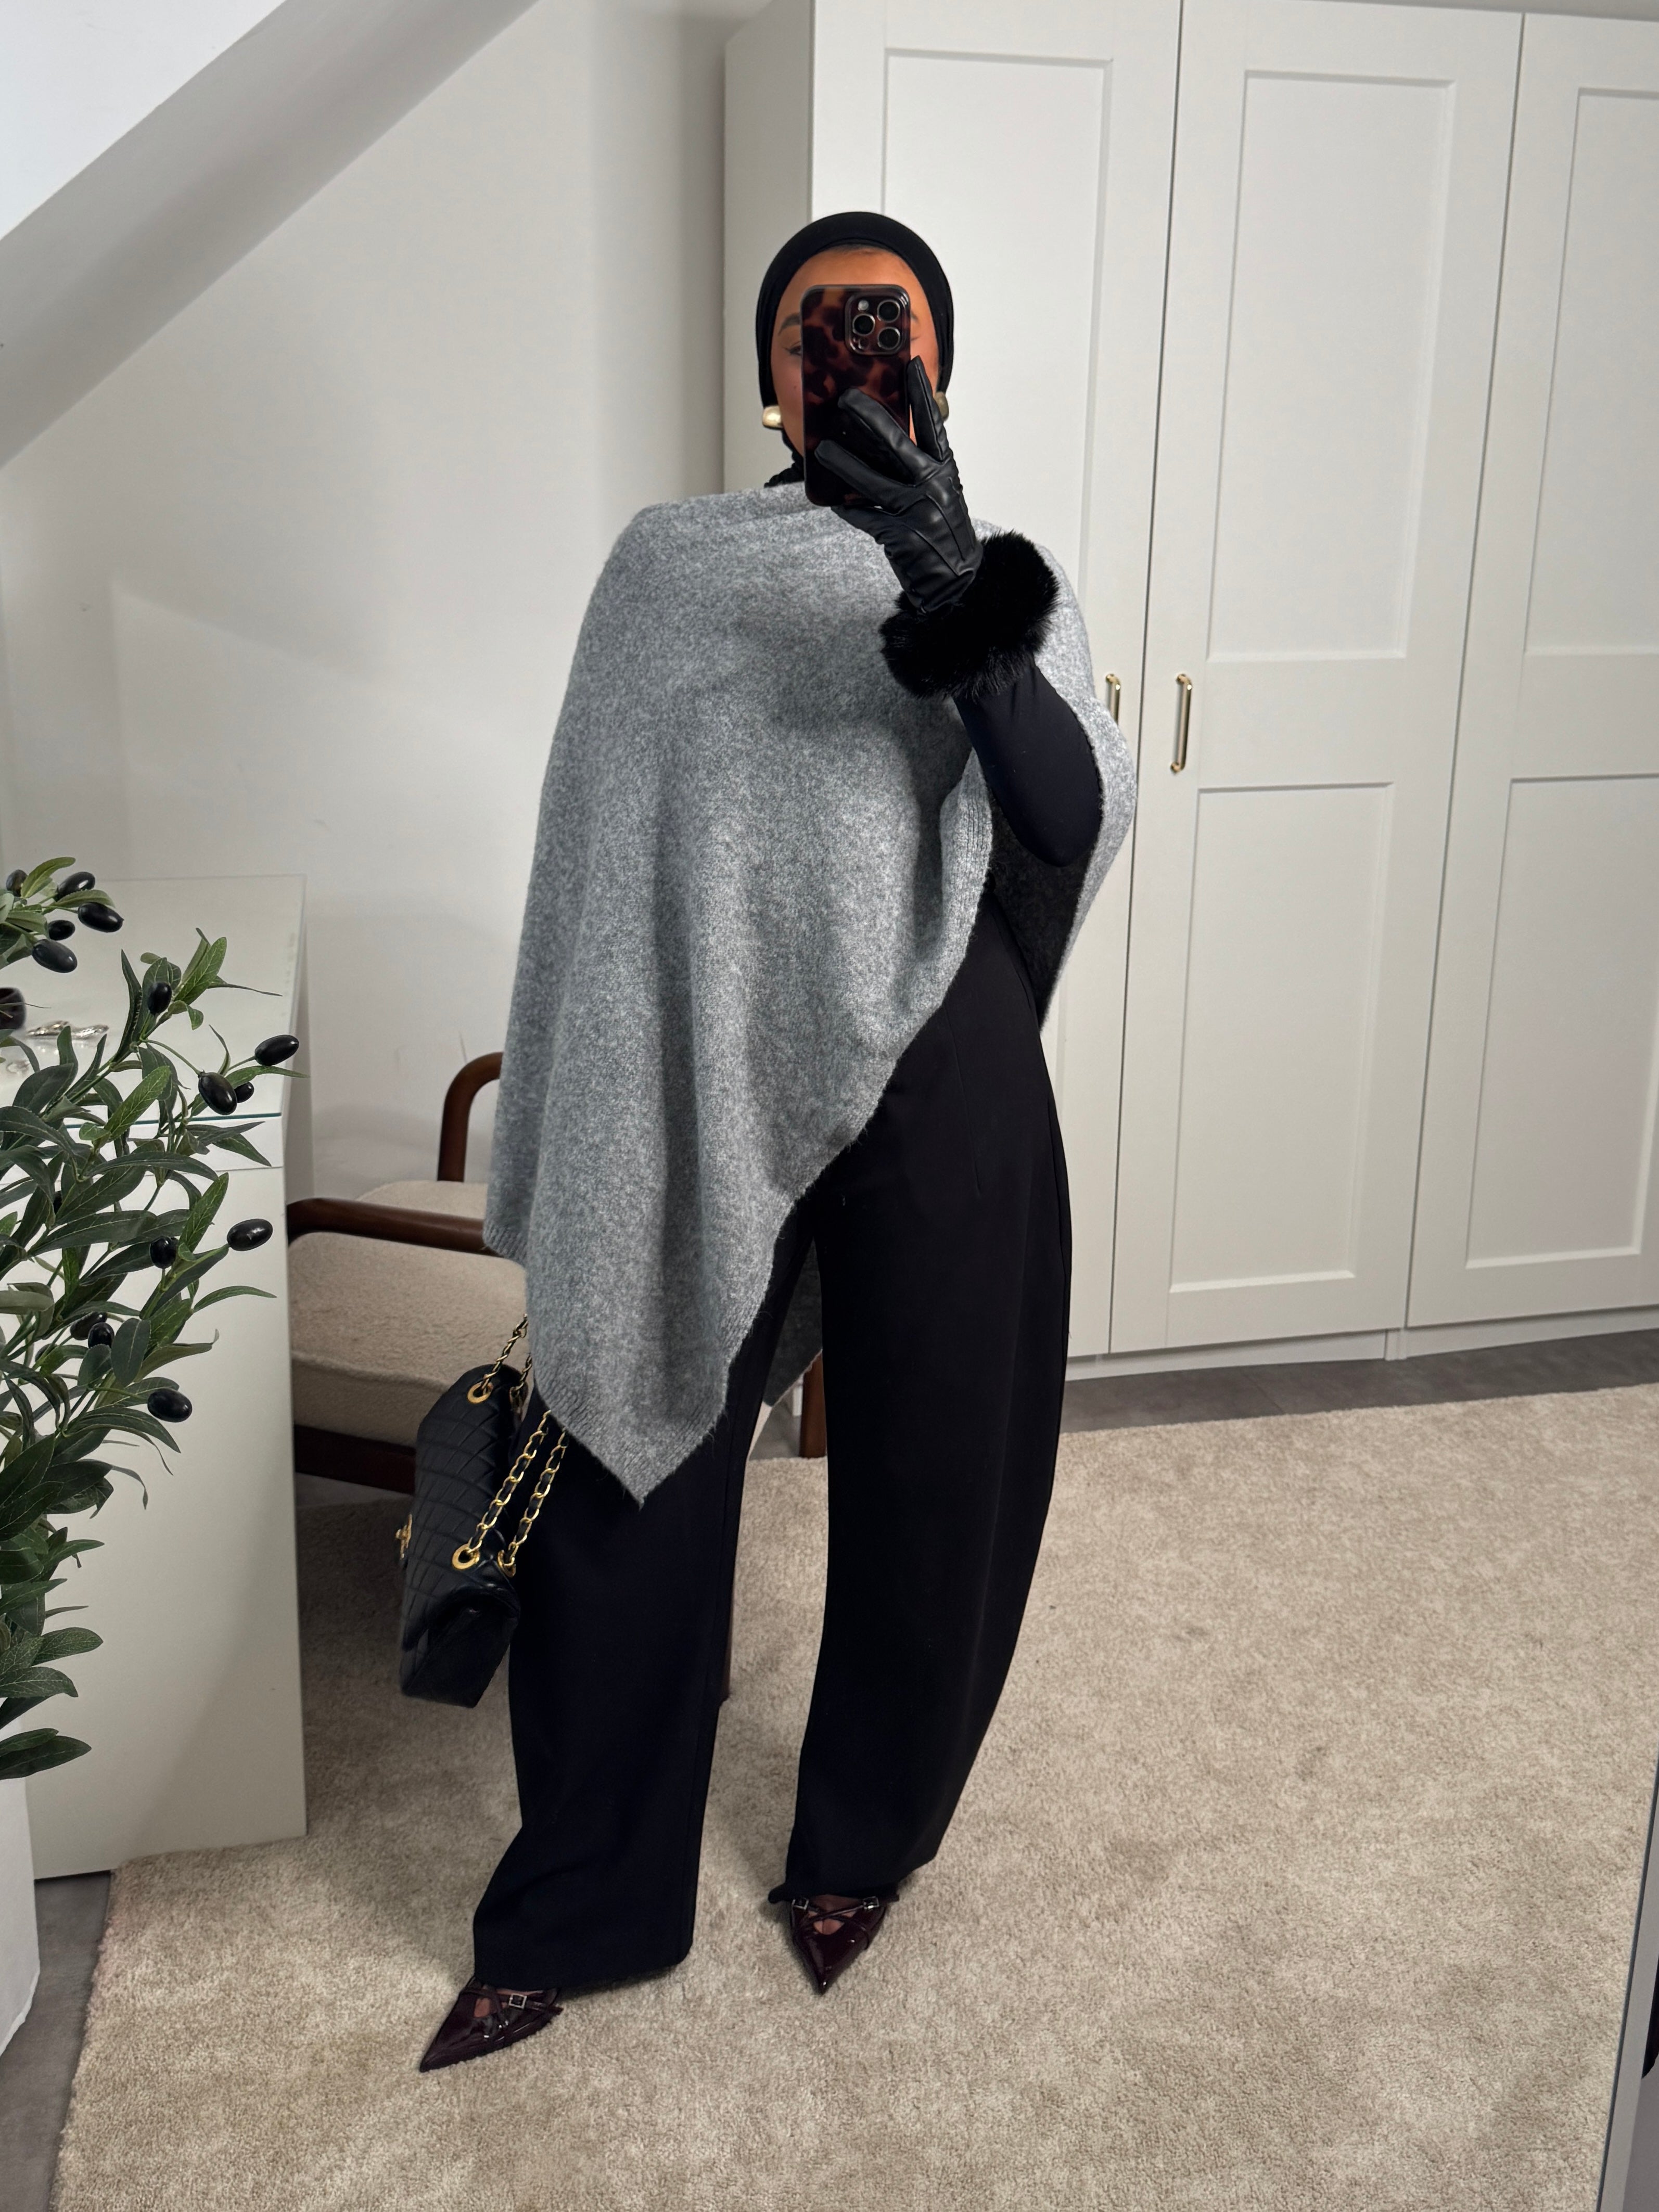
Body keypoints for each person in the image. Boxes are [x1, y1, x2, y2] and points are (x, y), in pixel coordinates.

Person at [418, 212, 1135, 2072]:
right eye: (821, 327)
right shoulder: (667, 567)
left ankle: (862, 1841)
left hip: (944, 1055)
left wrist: (949, 590)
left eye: (890, 328)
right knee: (628, 1456)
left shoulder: (1004, 573)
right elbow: (601, 857)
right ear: (770, 374)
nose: (854, 350)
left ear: (940, 369)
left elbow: (1061, 816)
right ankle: (582, 1895)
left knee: (941, 1466)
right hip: (696, 1055)